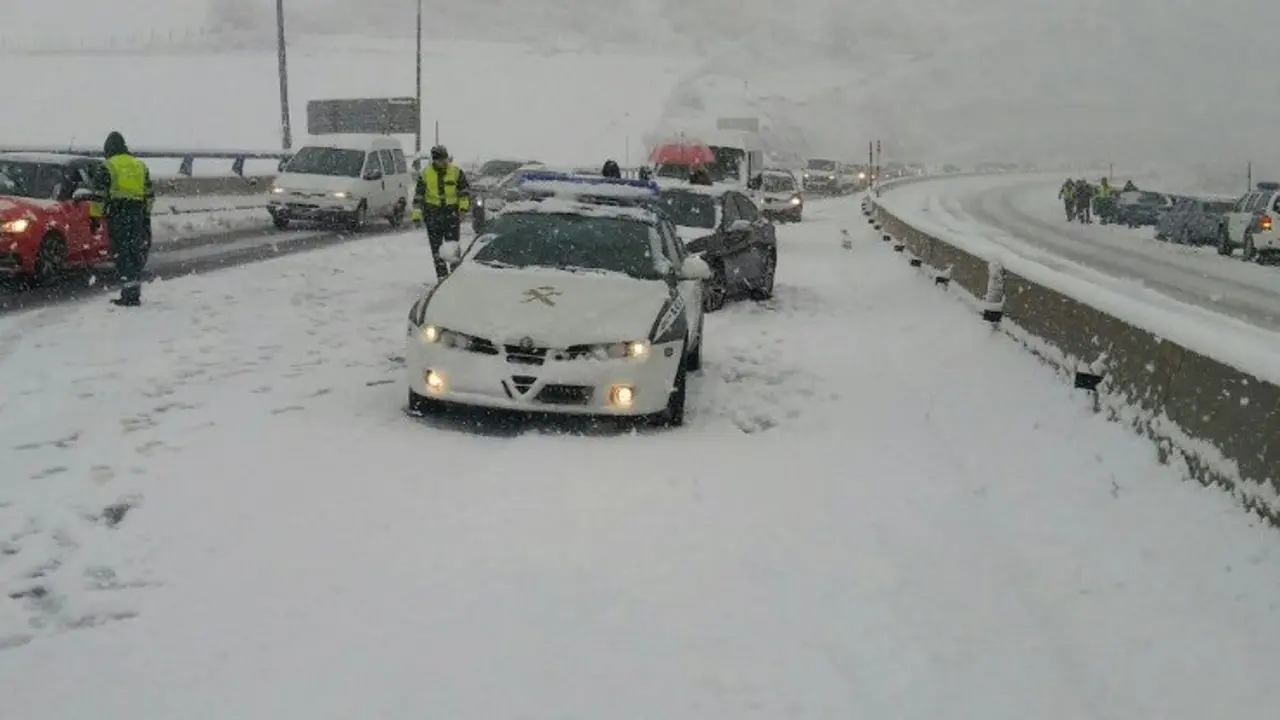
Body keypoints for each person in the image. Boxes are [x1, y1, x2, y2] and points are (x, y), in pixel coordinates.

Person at [96, 131, 153, 307]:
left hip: (118, 212)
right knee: (134, 252)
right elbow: (149, 195)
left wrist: (96, 216)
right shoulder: (140, 166)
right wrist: (145, 215)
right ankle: (133, 292)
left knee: (122, 253)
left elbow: (99, 195)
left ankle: (128, 295)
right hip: (136, 213)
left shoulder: (108, 166)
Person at [414, 145, 471, 281]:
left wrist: (462, 210)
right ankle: (441, 277)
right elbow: (418, 197)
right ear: (434, 160)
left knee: (453, 249)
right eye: (440, 160)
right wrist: (417, 216)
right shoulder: (425, 174)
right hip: (433, 215)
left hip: (451, 215)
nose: (444, 162)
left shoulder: (456, 172)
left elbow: (465, 193)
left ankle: (455, 276)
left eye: (445, 159)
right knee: (436, 250)